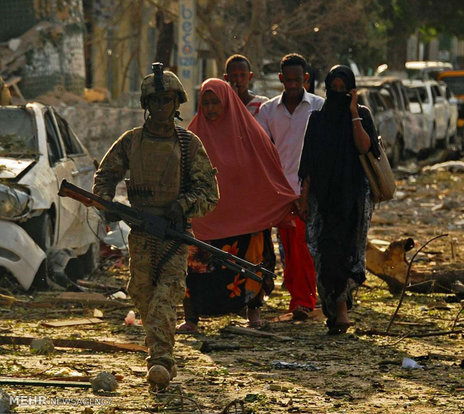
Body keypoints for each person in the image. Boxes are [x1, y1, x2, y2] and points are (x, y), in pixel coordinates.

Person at [93, 64, 219, 391]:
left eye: (168, 100)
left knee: (169, 292)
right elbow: (105, 176)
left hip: (174, 233)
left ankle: (161, 359)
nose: (162, 106)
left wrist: (181, 206)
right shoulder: (131, 141)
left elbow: (209, 192)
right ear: (145, 104)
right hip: (141, 233)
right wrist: (107, 203)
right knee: (141, 291)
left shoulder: (189, 145)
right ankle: (159, 345)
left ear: (177, 103)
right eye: (155, 100)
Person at [175, 78, 298, 333]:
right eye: (205, 103)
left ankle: (254, 314)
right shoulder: (192, 136)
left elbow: (269, 170)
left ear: (227, 102)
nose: (209, 109)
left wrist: (281, 200)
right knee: (195, 268)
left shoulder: (251, 133)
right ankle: (191, 319)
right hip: (206, 220)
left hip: (246, 218)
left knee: (252, 264)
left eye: (215, 103)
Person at [298, 65, 378, 335]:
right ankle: (335, 309)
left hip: (353, 198)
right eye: (335, 89)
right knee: (323, 254)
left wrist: (354, 112)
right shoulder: (318, 120)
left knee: (347, 254)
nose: (339, 93)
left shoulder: (362, 115)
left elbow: (364, 147)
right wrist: (305, 197)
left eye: (345, 90)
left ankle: (341, 310)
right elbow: (307, 162)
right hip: (324, 200)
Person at [256, 53, 324, 321]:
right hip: (281, 191)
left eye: (298, 79)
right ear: (281, 79)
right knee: (287, 248)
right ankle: (298, 297)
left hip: (310, 190)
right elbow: (263, 150)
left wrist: (309, 190)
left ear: (305, 79)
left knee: (304, 248)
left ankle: (304, 300)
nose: (293, 84)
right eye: (289, 80)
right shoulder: (268, 111)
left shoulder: (319, 107)